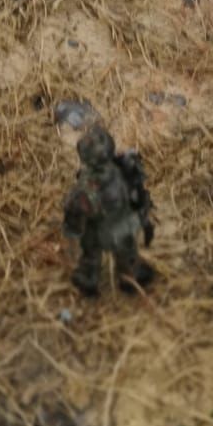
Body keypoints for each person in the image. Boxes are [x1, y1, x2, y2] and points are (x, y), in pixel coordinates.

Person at [63, 125, 155, 297]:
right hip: (112, 226)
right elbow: (77, 207)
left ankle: (93, 277)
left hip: (108, 226)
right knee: (117, 252)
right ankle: (117, 276)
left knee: (96, 254)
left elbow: (75, 208)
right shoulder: (93, 181)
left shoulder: (108, 173)